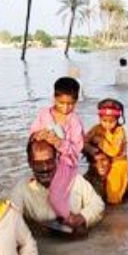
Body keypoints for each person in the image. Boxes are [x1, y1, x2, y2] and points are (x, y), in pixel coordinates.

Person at [11, 138, 104, 237]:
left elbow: (98, 204)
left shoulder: (74, 179)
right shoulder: (22, 188)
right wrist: (36, 228)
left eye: (49, 161)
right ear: (30, 163)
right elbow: (11, 220)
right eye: (38, 163)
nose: (45, 168)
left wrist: (82, 218)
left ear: (57, 159)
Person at [29, 77, 85, 223]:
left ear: (76, 101)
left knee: (56, 196)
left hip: (65, 163)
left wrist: (60, 143)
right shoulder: (44, 114)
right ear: (54, 98)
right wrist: (38, 135)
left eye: (70, 104)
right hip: (46, 160)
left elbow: (76, 149)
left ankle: (68, 218)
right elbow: (33, 133)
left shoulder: (74, 121)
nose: (66, 108)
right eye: (62, 103)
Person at [84, 98, 128, 204]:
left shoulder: (120, 132)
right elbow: (84, 140)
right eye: (104, 121)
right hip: (100, 158)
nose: (107, 124)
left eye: (111, 121)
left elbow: (113, 151)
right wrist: (90, 148)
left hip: (118, 163)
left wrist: (100, 142)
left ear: (118, 119)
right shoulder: (97, 128)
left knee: (113, 196)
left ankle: (114, 207)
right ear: (99, 118)